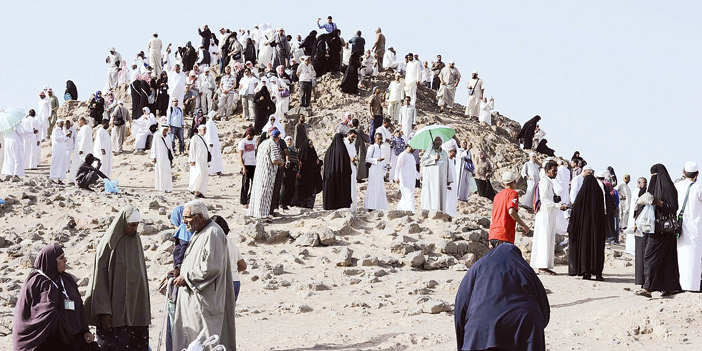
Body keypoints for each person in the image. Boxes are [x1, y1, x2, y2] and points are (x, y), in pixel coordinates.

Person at [454, 243, 550, 351]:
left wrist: (462, 343)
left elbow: (460, 306)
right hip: (525, 324)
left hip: (482, 326)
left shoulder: (478, 267)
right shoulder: (525, 268)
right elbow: (543, 307)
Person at [171, 201, 237, 351]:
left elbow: (211, 267)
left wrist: (186, 277)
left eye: (187, 217)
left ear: (199, 217)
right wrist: (179, 270)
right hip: (193, 298)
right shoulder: (200, 232)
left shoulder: (213, 233)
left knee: (205, 340)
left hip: (204, 300)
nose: (184, 222)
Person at [84, 206, 150, 350]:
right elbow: (100, 279)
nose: (134, 229)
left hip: (135, 309)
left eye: (137, 225)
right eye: (132, 225)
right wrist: (104, 311)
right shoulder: (108, 245)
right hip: (115, 310)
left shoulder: (136, 241)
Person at [13, 245, 98, 351]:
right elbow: (31, 314)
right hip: (44, 339)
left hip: (69, 337)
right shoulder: (36, 282)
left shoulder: (67, 280)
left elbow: (79, 306)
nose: (65, 261)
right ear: (51, 261)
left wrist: (84, 330)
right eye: (61, 258)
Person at [634, 164, 682, 298]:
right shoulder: (653, 188)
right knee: (665, 259)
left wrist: (657, 202)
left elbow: (672, 208)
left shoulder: (669, 189)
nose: (654, 179)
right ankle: (670, 287)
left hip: (663, 229)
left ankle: (648, 288)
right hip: (653, 228)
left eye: (655, 175)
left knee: (651, 257)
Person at [530, 160, 568, 275]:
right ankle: (542, 266)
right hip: (545, 214)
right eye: (553, 170)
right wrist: (557, 206)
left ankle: (545, 265)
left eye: (556, 170)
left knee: (548, 238)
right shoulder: (544, 182)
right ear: (547, 170)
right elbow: (544, 199)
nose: (555, 173)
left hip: (550, 214)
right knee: (544, 238)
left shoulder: (549, 182)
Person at [567, 174, 607, 281]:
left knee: (585, 249)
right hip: (597, 230)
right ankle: (598, 273)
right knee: (597, 250)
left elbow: (574, 214)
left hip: (584, 232)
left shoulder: (581, 196)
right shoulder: (598, 194)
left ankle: (586, 272)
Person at [676, 162, 702, 292]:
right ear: (697, 174)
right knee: (694, 257)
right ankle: (692, 286)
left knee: (681, 256)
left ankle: (679, 284)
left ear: (683, 173)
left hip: (679, 228)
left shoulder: (676, 186)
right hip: (695, 229)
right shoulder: (698, 188)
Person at [248, 129, 284, 219]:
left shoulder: (263, 143)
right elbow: (275, 160)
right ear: (278, 138)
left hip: (259, 172)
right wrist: (281, 162)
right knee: (265, 194)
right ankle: (264, 214)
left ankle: (255, 213)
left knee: (258, 193)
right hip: (268, 173)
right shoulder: (273, 144)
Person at [489, 171, 531, 248]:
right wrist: (524, 225)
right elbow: (511, 211)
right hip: (504, 235)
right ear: (514, 181)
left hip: (493, 234)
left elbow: (493, 216)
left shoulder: (497, 196)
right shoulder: (513, 193)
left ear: (503, 183)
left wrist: (490, 238)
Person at [212, 215, 247, 302]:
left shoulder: (215, 243)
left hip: (222, 282)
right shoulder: (232, 243)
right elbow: (243, 266)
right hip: (235, 281)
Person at [420, 136, 454, 212]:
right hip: (432, 178)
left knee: (441, 195)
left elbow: (448, 166)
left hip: (442, 178)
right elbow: (423, 162)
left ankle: (441, 212)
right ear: (433, 142)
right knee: (433, 194)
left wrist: (449, 178)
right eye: (436, 140)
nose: (438, 142)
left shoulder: (444, 153)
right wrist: (433, 159)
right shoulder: (429, 152)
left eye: (439, 140)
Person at [323, 133, 352, 210]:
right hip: (342, 176)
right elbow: (346, 164)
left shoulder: (329, 151)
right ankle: (342, 203)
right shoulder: (343, 150)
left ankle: (330, 204)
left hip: (331, 175)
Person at [365, 133, 389, 210]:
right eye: (378, 138)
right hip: (373, 170)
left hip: (379, 171)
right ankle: (371, 206)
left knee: (380, 188)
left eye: (381, 139)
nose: (379, 140)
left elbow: (382, 162)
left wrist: (385, 167)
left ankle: (379, 206)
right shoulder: (372, 147)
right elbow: (367, 159)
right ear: (375, 139)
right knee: (373, 187)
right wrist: (376, 160)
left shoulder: (381, 148)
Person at [297, 139, 323, 208]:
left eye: (312, 144)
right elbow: (299, 162)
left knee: (312, 191)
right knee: (304, 190)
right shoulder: (302, 154)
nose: (311, 146)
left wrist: (319, 162)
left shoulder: (313, 152)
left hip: (313, 177)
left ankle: (310, 205)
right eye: (309, 144)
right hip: (304, 177)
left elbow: (317, 161)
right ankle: (302, 204)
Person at [394, 144, 420, 213]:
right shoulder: (402, 155)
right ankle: (412, 212)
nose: (414, 150)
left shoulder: (412, 156)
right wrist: (396, 177)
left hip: (411, 180)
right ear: (409, 146)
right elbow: (397, 167)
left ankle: (401, 210)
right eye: (414, 148)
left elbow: (414, 168)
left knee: (406, 196)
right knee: (409, 196)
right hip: (404, 180)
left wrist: (419, 176)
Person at [188, 124, 209, 198]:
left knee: (204, 175)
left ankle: (199, 191)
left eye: (205, 129)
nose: (205, 131)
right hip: (197, 160)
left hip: (204, 160)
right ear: (199, 130)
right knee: (199, 174)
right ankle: (193, 189)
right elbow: (192, 150)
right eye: (204, 129)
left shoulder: (204, 139)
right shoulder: (195, 138)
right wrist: (192, 159)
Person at [151, 125, 173, 192]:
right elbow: (153, 146)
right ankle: (161, 187)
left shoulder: (168, 136)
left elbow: (170, 147)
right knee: (160, 171)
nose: (165, 131)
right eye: (164, 130)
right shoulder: (156, 136)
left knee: (167, 171)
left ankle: (168, 187)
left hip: (166, 157)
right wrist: (153, 156)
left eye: (166, 130)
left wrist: (172, 157)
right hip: (159, 156)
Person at [238, 128, 257, 207]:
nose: (252, 137)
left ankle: (250, 200)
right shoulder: (242, 142)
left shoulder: (254, 141)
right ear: (247, 134)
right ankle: (244, 201)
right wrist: (243, 167)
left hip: (253, 164)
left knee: (254, 184)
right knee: (245, 184)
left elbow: (255, 152)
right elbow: (240, 155)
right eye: (251, 135)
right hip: (246, 164)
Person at [343, 130, 359, 211]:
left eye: (355, 138)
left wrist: (355, 158)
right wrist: (350, 158)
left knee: (353, 187)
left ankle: (353, 207)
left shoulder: (352, 145)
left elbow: (354, 155)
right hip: (346, 168)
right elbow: (341, 155)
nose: (353, 139)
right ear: (348, 135)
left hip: (352, 167)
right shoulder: (343, 144)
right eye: (352, 137)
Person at [49, 119, 69, 184]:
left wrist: (68, 136)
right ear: (57, 123)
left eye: (62, 123)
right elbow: (56, 138)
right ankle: (52, 177)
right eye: (61, 123)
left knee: (62, 164)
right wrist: (65, 136)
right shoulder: (55, 130)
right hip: (57, 149)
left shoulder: (63, 130)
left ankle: (60, 179)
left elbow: (65, 140)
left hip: (62, 150)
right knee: (55, 162)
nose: (62, 124)